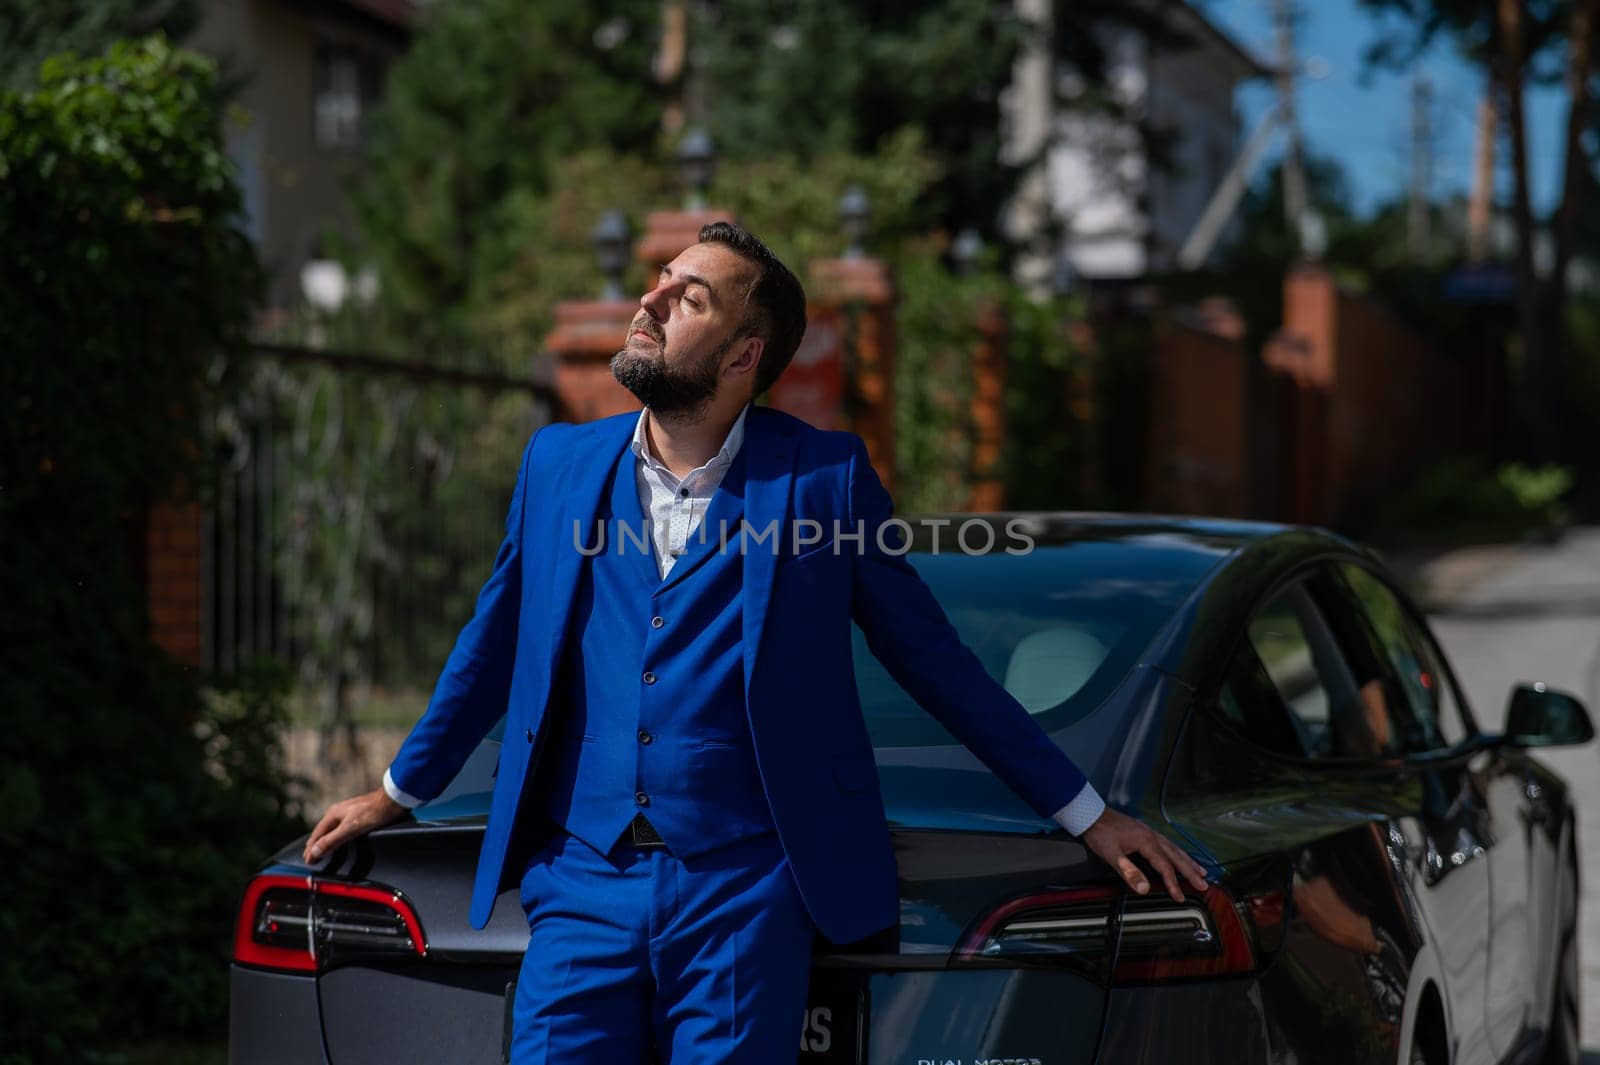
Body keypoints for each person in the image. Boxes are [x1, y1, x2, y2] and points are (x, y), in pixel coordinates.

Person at [302, 221, 1207, 1063]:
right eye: (660, 281)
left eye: (690, 296)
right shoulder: (559, 465)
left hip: (741, 889)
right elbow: (491, 642)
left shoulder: (823, 480)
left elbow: (934, 661)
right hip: (581, 880)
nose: (652, 301)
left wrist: (1087, 813)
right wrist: (399, 788)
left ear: (744, 355)